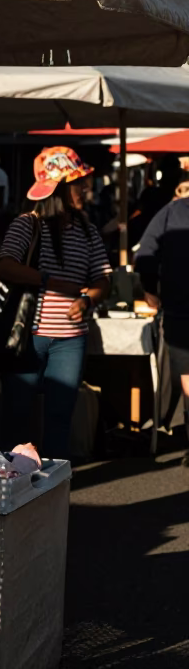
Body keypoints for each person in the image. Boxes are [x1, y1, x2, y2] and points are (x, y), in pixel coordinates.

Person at [0, 146, 111, 459]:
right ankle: (12, 488)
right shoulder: (27, 224)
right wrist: (49, 281)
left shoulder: (88, 231)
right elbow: (3, 265)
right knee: (17, 417)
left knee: (60, 417)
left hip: (71, 339)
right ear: (57, 188)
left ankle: (57, 489)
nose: (85, 189)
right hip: (27, 336)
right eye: (77, 182)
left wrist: (87, 300)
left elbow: (103, 279)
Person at [135, 190, 189, 464]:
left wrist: (149, 288)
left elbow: (146, 252)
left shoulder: (172, 211)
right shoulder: (171, 210)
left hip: (179, 308)